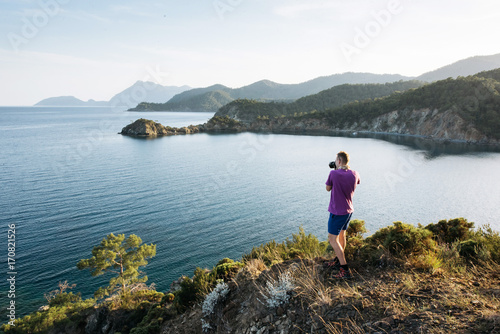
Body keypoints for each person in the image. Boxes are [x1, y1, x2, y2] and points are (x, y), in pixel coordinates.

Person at [324, 151, 360, 279]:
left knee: (332, 239)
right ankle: (339, 260)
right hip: (348, 211)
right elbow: (355, 182)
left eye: (336, 159)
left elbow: (328, 188)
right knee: (341, 235)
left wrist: (336, 171)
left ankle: (344, 270)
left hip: (337, 211)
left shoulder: (333, 173)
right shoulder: (355, 173)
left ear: (339, 161)